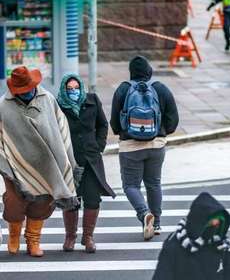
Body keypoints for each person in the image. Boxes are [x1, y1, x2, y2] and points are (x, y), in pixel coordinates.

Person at [0, 66, 79, 257]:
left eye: (28, 89)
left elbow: (60, 127)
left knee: (43, 202)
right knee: (14, 202)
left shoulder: (47, 99)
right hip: (16, 166)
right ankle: (14, 237)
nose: (26, 93)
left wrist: (66, 158)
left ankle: (33, 240)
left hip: (48, 164)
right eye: (21, 91)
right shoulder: (3, 105)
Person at [110, 55, 179, 240]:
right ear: (149, 71)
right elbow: (173, 120)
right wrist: (161, 132)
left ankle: (144, 214)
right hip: (156, 146)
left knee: (131, 185)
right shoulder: (160, 89)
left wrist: (125, 132)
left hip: (130, 146)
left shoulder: (123, 89)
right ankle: (156, 223)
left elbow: (115, 123)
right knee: (153, 183)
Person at [57, 73, 116, 253]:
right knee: (71, 200)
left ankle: (88, 237)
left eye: (76, 88)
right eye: (69, 89)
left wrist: (98, 146)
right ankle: (70, 237)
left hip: (91, 159)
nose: (73, 92)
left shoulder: (92, 100)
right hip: (69, 160)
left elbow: (103, 125)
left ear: (81, 88)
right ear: (64, 90)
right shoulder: (58, 105)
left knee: (92, 198)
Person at [152, 192, 230, 280]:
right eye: (211, 224)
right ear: (198, 223)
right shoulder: (174, 245)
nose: (214, 228)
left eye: (218, 224)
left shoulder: (222, 245)